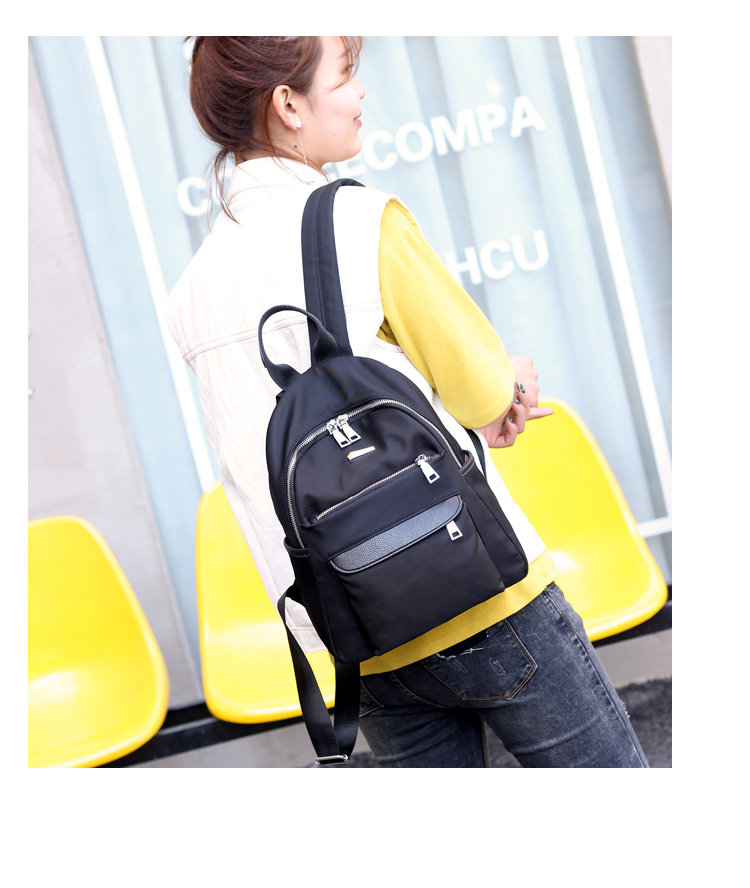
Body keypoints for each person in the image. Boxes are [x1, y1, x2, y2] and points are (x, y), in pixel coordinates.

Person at [168, 35, 649, 767]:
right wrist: (514, 384)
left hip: (361, 634)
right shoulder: (363, 222)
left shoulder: (192, 295)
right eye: (345, 74)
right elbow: (482, 392)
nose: (360, 93)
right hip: (482, 592)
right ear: (288, 104)